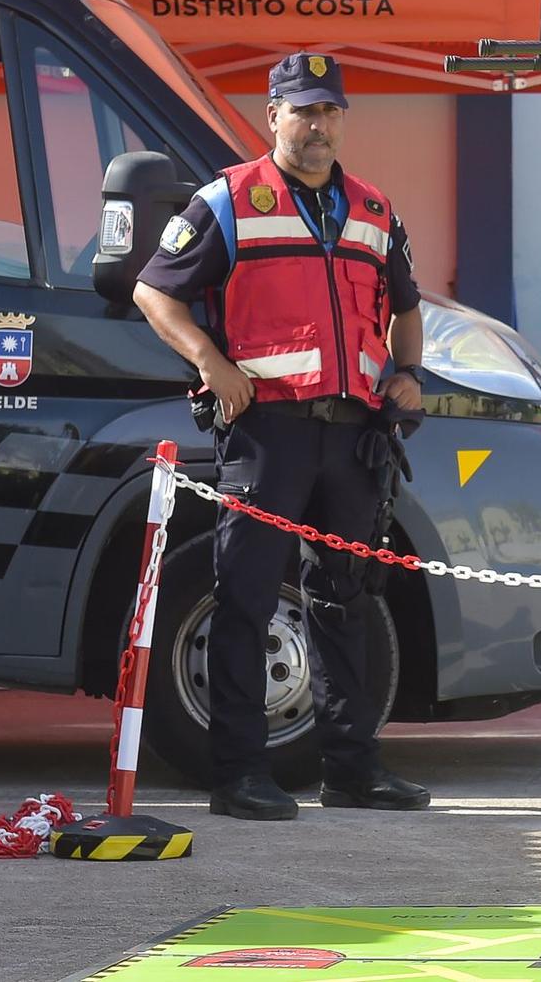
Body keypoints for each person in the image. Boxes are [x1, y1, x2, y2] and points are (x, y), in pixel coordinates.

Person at [133, 52, 431, 821]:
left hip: (355, 436)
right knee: (247, 598)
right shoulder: (228, 198)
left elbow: (405, 303)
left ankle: (353, 768)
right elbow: (152, 289)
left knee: (348, 600)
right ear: (274, 116)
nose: (318, 124)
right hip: (268, 431)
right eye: (303, 111)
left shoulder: (373, 209)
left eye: (330, 110)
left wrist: (408, 373)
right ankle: (238, 774)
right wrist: (210, 360)